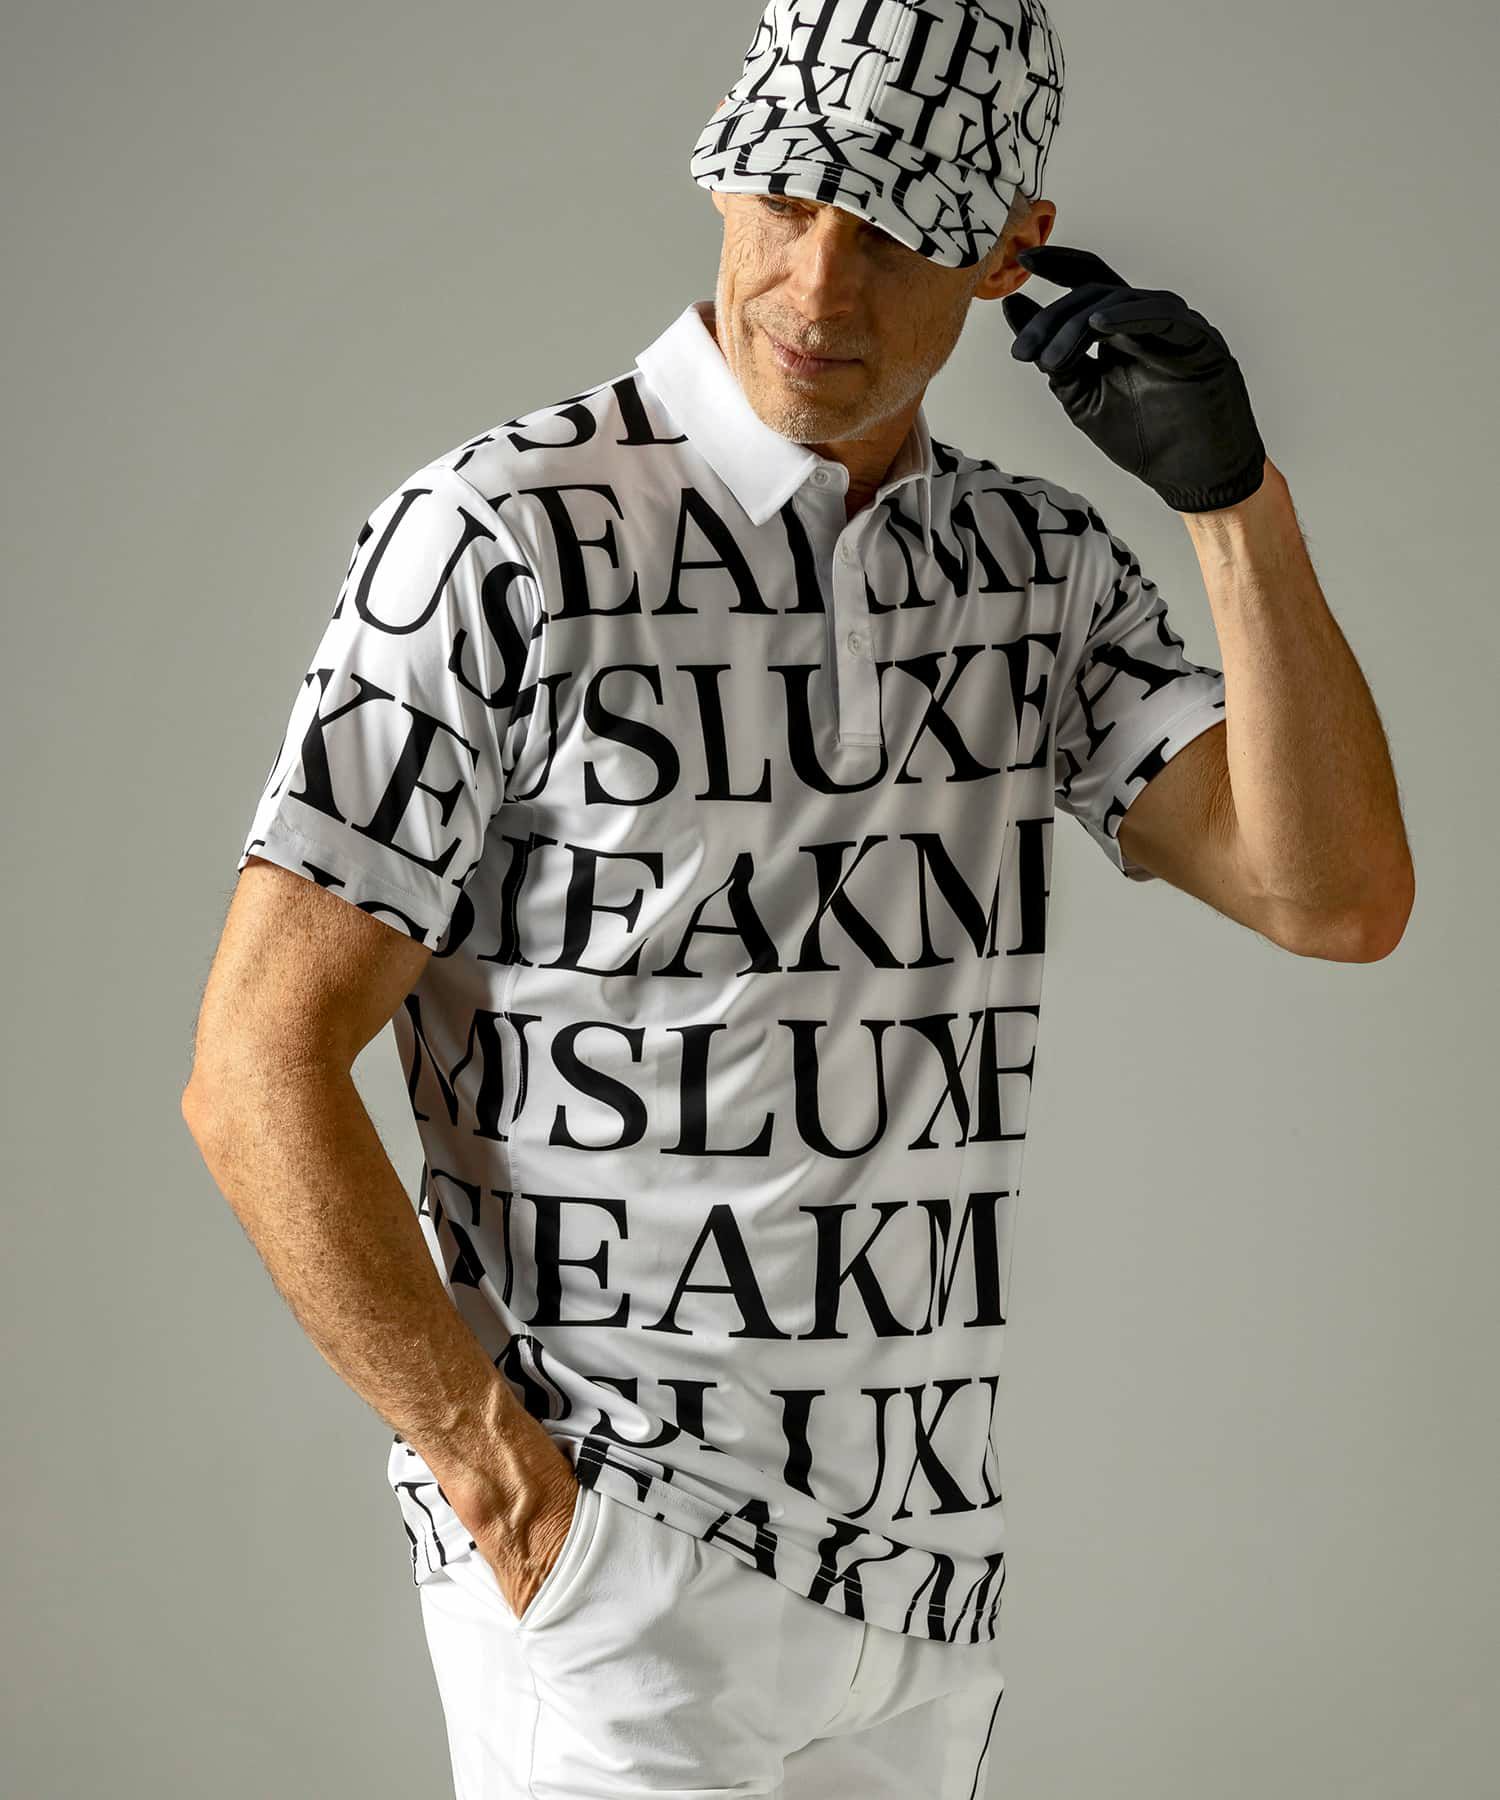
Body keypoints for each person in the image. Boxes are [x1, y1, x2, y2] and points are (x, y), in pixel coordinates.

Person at [181, 2, 1413, 1795]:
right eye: (787, 198)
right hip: (617, 1556)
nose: (821, 285)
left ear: (1009, 255)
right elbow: (253, 1064)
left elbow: (1336, 896)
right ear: (723, 170)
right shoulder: (503, 536)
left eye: (897, 232)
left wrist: (1231, 503)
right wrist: (507, 1491)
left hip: (927, 1597)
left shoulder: (1035, 568)